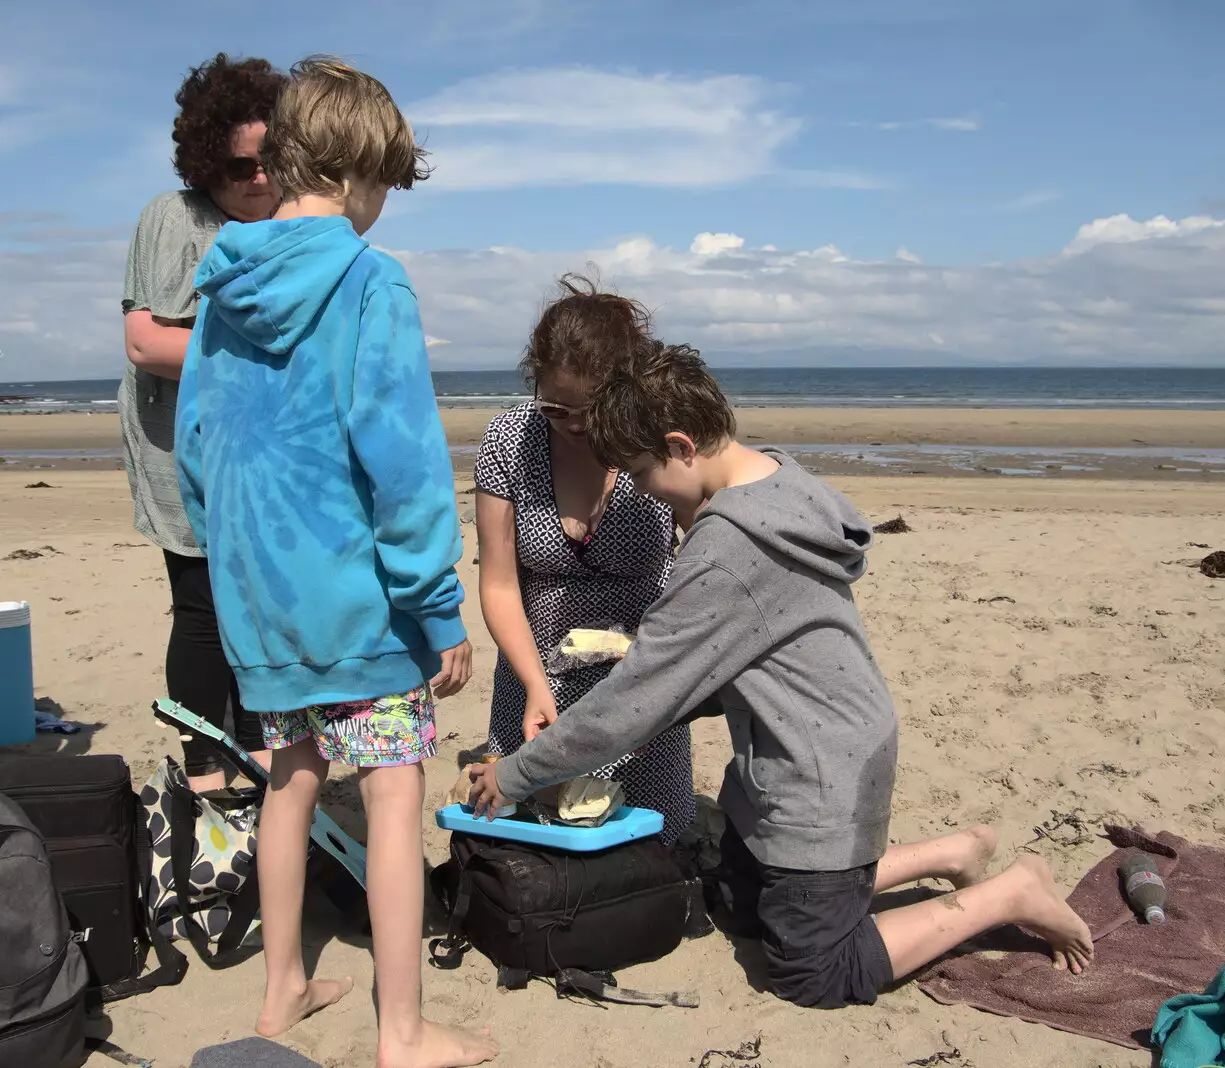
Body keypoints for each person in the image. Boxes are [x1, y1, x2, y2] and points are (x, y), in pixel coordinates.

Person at [468, 344, 1095, 1009]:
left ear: (682, 446)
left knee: (817, 975)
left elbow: (628, 706)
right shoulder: (773, 477)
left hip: (820, 773)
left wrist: (513, 773)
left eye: (644, 474)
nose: (644, 491)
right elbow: (701, 672)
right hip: (778, 757)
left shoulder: (725, 551)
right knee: (740, 908)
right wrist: (665, 699)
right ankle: (952, 852)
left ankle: (1010, 892)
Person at [176, 56, 498, 1068]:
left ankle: (281, 991)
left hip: (258, 595)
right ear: (363, 173)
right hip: (359, 603)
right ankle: (399, 1032)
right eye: (390, 186)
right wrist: (437, 606)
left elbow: (198, 443)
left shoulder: (224, 280)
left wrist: (234, 566)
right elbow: (400, 461)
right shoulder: (368, 281)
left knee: (290, 778)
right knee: (395, 790)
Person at [119, 54, 287, 793]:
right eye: (235, 165)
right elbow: (148, 342)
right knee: (201, 608)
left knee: (262, 607)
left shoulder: (295, 227)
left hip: (269, 455)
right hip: (183, 449)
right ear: (204, 160)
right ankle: (205, 772)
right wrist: (278, 352)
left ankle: (257, 757)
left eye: (268, 162)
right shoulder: (177, 217)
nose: (254, 179)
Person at [474, 277, 694, 842]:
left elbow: (704, 559)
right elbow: (498, 585)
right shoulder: (510, 438)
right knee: (537, 839)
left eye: (590, 411)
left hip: (642, 675)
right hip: (535, 669)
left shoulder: (657, 438)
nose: (573, 427)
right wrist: (534, 685)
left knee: (650, 841)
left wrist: (660, 670)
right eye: (555, 409)